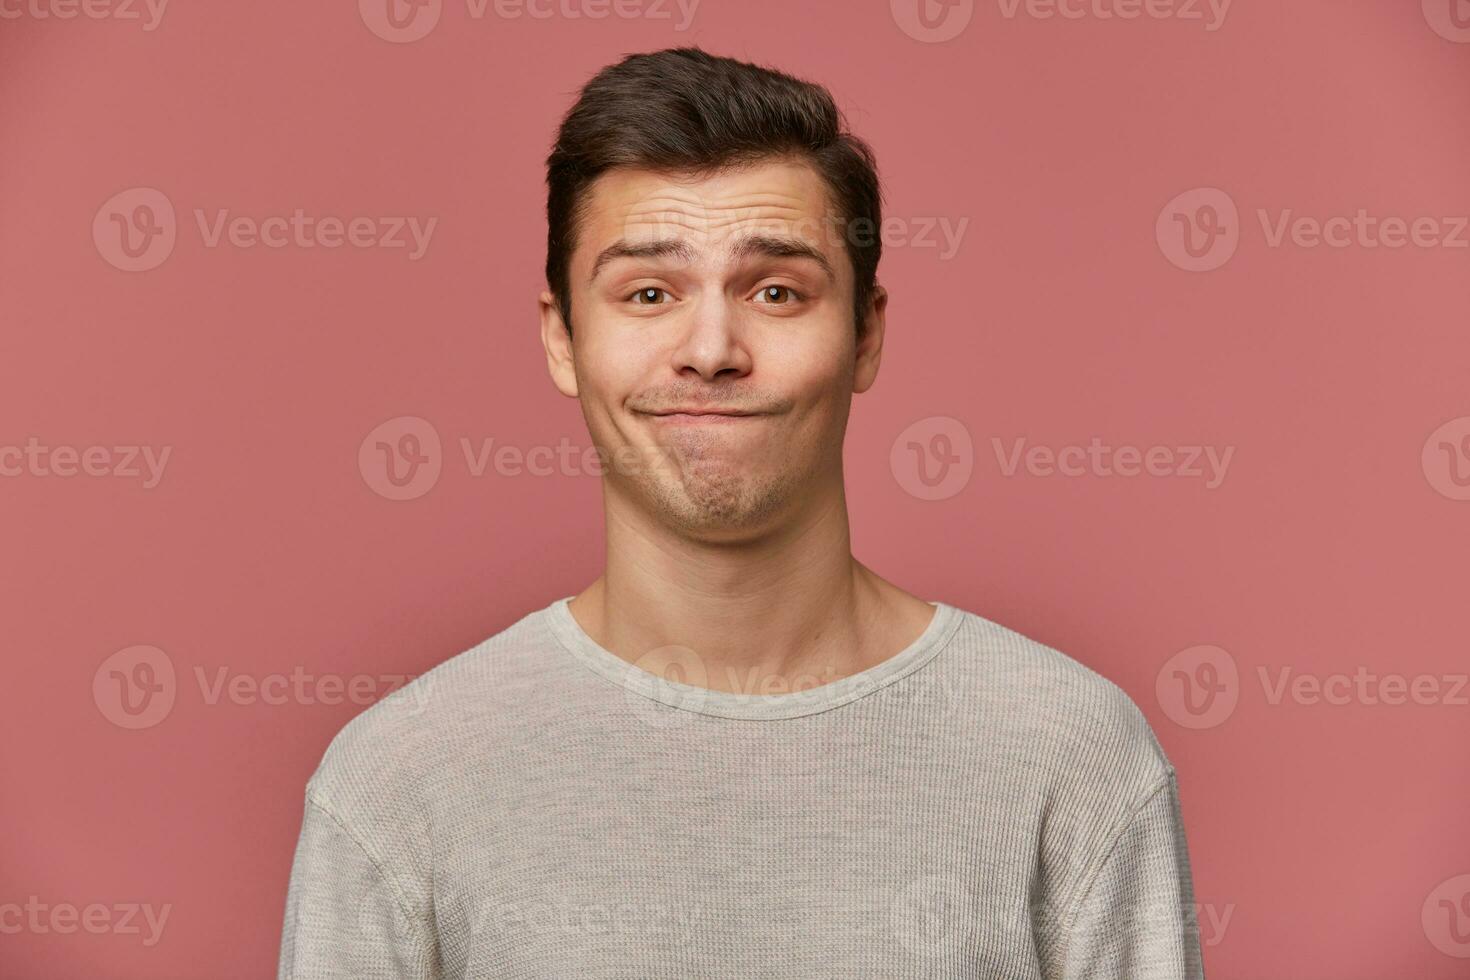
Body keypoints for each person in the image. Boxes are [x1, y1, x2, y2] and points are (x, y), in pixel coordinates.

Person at [277, 46, 1205, 979]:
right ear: (562, 338)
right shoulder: (400, 781)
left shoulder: (1068, 757)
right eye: (648, 293)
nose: (713, 350)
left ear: (866, 334)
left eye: (775, 292)